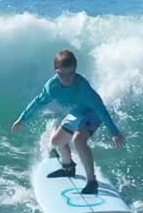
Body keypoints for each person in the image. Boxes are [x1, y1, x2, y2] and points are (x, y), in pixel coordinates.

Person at [11, 49, 125, 195]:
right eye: (62, 74)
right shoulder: (52, 87)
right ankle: (68, 167)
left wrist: (114, 132)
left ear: (75, 71)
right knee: (56, 141)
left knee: (78, 140)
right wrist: (23, 118)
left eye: (71, 74)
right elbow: (38, 102)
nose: (67, 79)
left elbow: (100, 108)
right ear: (56, 71)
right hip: (77, 113)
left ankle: (92, 182)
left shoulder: (83, 87)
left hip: (92, 113)